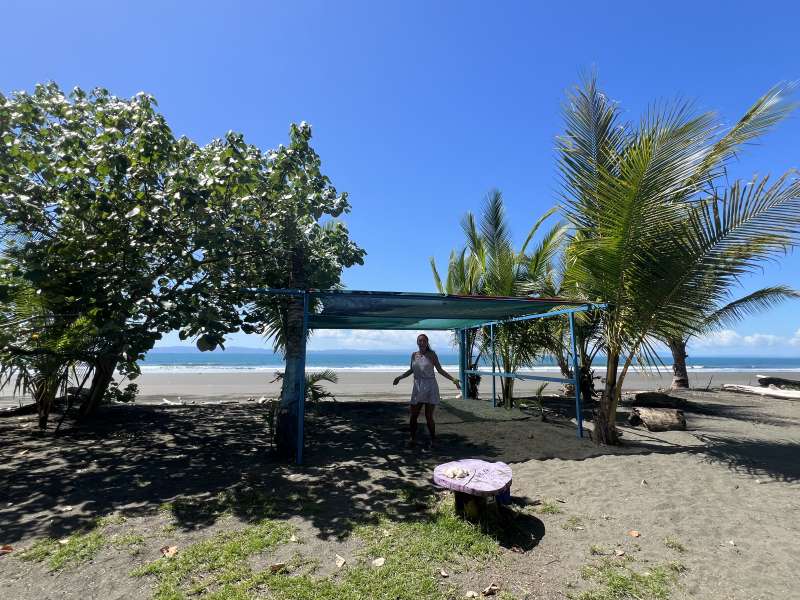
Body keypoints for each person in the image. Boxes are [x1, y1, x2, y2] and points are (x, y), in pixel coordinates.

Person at [393, 333, 460, 448]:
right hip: (418, 386)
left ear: (427, 342)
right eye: (420, 341)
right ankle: (412, 439)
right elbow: (411, 370)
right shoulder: (414, 355)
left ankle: (433, 440)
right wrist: (400, 377)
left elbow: (439, 370)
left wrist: (453, 379)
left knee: (429, 416)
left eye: (424, 341)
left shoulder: (432, 354)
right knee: (414, 415)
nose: (422, 342)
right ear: (417, 342)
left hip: (430, 386)